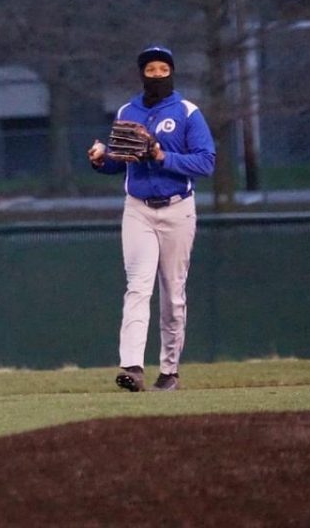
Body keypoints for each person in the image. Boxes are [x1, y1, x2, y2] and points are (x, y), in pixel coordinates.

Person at [87, 45, 215, 392]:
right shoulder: (128, 110)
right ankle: (132, 367)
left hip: (177, 208)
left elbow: (206, 162)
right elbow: (118, 161)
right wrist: (101, 159)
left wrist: (162, 155)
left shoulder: (188, 112)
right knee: (137, 288)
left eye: (163, 69)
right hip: (139, 208)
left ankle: (169, 371)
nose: (157, 75)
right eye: (150, 70)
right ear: (142, 73)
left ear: (171, 72)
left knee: (172, 295)